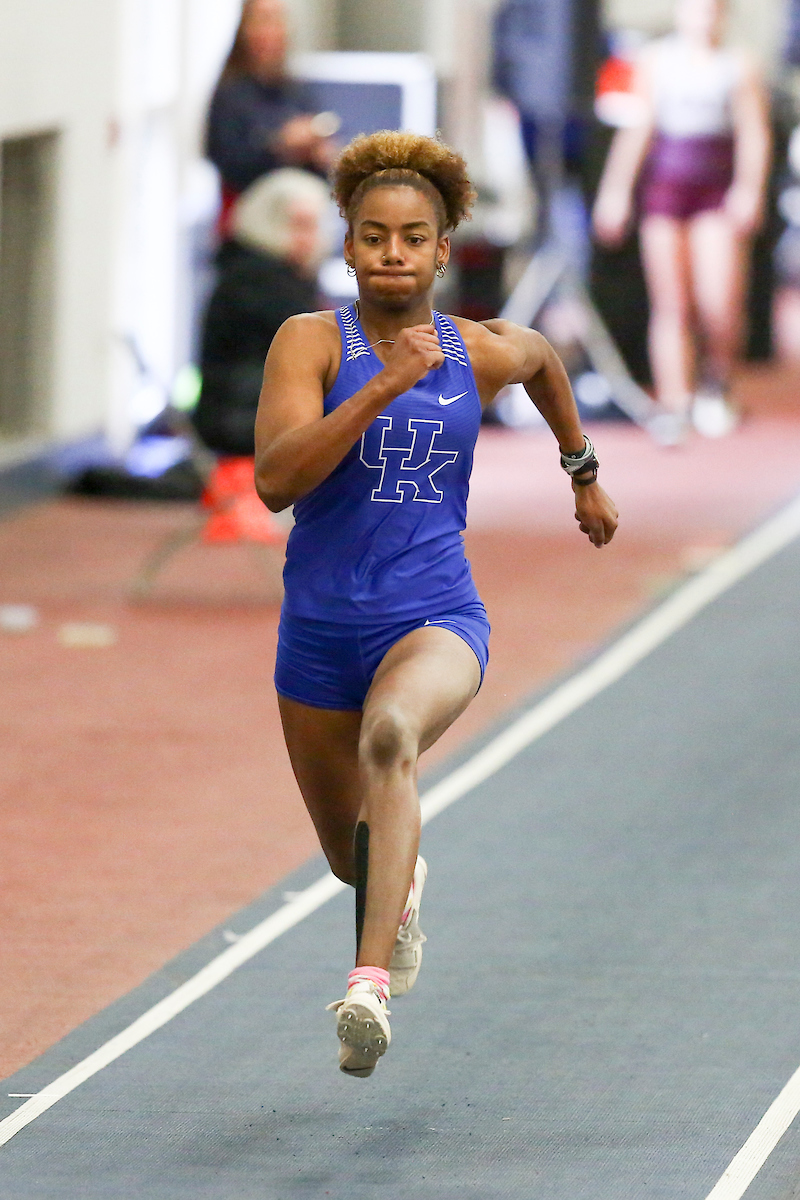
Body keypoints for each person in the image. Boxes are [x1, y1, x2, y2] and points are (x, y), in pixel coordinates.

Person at [254, 131, 619, 1077]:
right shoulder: (308, 342)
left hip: (434, 618)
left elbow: (543, 361)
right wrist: (383, 384)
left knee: (391, 740)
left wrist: (582, 471)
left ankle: (366, 988)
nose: (393, 253)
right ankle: (398, 884)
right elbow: (276, 482)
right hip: (318, 633)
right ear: (348, 247)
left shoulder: (479, 350)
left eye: (413, 238)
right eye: (374, 236)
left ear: (443, 251)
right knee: (354, 858)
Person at [592, 0, 771, 443]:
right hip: (666, 190)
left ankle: (716, 383)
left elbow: (753, 132)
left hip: (715, 188)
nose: (702, 17)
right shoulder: (655, 61)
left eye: (711, 9)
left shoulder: (738, 65)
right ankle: (675, 400)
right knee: (670, 302)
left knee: (719, 302)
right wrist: (615, 191)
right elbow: (638, 129)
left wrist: (749, 188)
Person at [193, 168, 331, 457]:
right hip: (241, 424)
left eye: (313, 226)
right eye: (299, 226)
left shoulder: (259, 272)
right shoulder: (257, 280)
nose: (309, 239)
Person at [206, 0, 336, 235]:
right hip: (249, 222)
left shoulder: (296, 91)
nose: (271, 31)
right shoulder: (231, 94)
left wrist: (318, 152)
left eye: (277, 21)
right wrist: (280, 146)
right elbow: (227, 160)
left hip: (300, 219)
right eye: (263, 20)